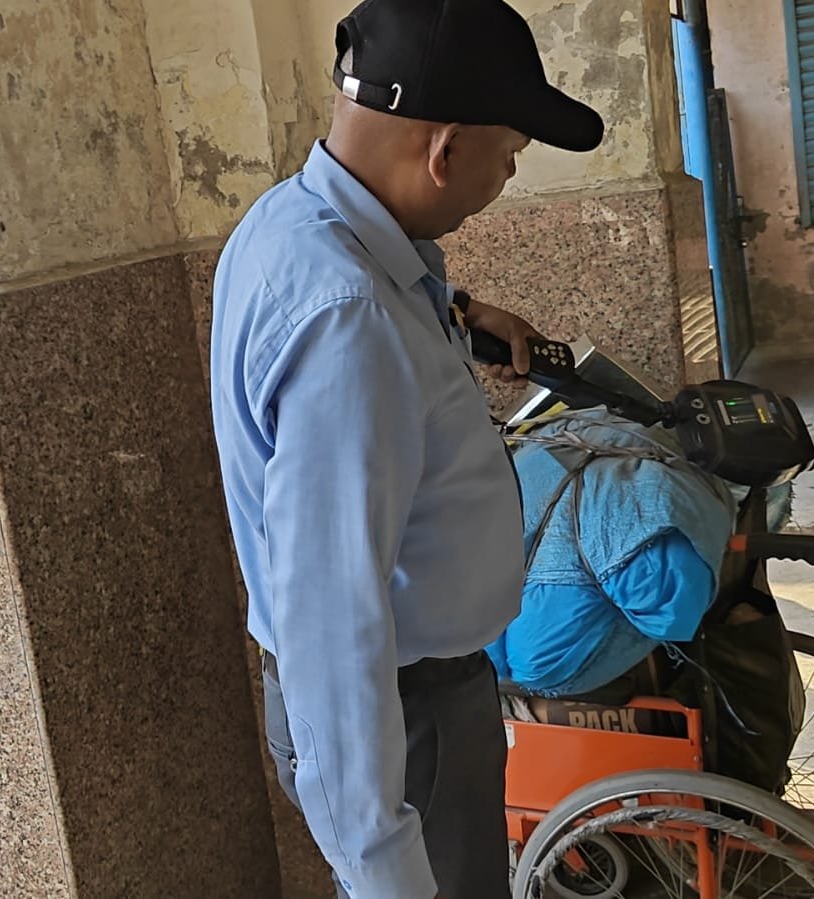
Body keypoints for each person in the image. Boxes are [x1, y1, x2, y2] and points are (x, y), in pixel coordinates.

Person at [209, 0, 605, 895]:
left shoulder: (290, 223)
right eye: (509, 154)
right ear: (444, 149)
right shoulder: (349, 320)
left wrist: (455, 314)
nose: (506, 175)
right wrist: (382, 861)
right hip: (402, 718)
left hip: (413, 698)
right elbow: (328, 615)